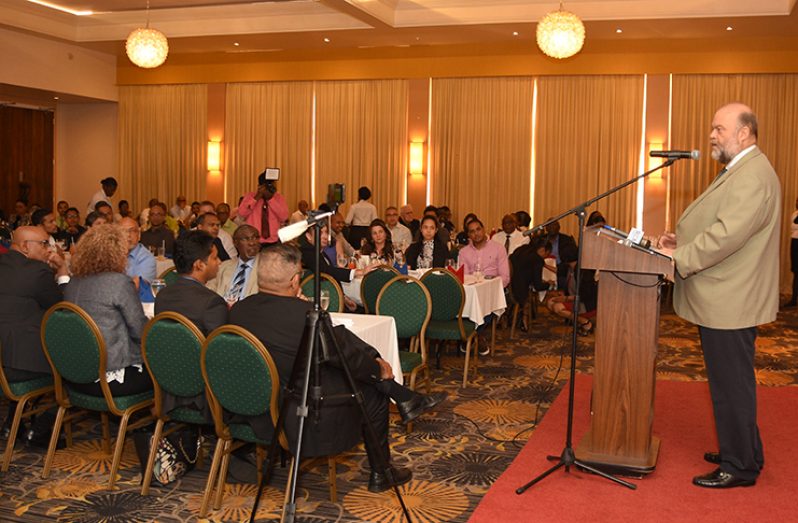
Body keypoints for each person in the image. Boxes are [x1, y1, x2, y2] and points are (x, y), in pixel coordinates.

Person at [229, 245, 446, 492]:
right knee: (372, 391)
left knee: (344, 359)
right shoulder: (304, 316)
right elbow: (343, 356)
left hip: (250, 406)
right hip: (296, 415)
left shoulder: (239, 310)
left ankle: (403, 396)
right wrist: (377, 368)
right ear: (295, 280)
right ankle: (382, 471)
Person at [658, 103, 780, 489]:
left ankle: (739, 465)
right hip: (726, 295)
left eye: (719, 129)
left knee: (731, 386)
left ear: (744, 132)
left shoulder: (752, 175)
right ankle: (744, 450)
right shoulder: (742, 169)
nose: (712, 135)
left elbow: (727, 236)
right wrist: (686, 241)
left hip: (731, 297)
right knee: (731, 383)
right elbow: (725, 228)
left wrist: (680, 257)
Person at [63, 224, 151, 396]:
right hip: (111, 380)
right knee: (167, 370)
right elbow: (140, 332)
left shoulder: (73, 283)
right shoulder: (119, 282)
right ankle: (159, 419)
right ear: (118, 253)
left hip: (75, 375)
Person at [0, 226, 70, 382]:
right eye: (44, 244)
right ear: (25, 246)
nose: (48, 249)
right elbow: (62, 308)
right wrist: (63, 271)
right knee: (75, 359)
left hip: (5, 360)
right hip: (22, 365)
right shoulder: (37, 270)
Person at [155, 230, 227, 335]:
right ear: (199, 265)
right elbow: (218, 348)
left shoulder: (162, 295)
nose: (219, 262)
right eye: (215, 258)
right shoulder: (212, 303)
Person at [207, 225, 261, 303]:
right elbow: (209, 290)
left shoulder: (267, 268)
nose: (252, 243)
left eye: (255, 238)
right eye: (245, 239)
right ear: (235, 242)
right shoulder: (223, 267)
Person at [237, 170, 289, 247]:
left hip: (273, 241)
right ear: (259, 186)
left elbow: (284, 217)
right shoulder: (250, 196)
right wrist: (256, 197)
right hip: (253, 240)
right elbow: (242, 213)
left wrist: (270, 199)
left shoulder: (278, 198)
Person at [458, 218, 510, 288]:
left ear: (484, 229)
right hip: (473, 290)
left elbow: (505, 277)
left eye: (478, 229)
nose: (476, 234)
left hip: (494, 289)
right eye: (472, 231)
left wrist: (490, 288)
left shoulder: (498, 248)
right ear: (468, 235)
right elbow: (465, 277)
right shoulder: (463, 252)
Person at [120, 217, 157, 284]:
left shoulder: (147, 258)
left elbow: (138, 287)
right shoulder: (112, 254)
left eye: (132, 231)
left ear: (139, 235)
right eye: (123, 231)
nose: (128, 235)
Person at [545, 219, 577, 292]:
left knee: (562, 280)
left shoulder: (566, 240)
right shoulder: (541, 239)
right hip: (543, 268)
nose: (552, 227)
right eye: (549, 225)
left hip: (561, 268)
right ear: (546, 228)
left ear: (559, 227)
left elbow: (570, 259)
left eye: (554, 225)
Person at [785, 196, 798, 308]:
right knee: (796, 272)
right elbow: (793, 226)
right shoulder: (794, 214)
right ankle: (794, 299)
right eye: (797, 201)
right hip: (795, 243)